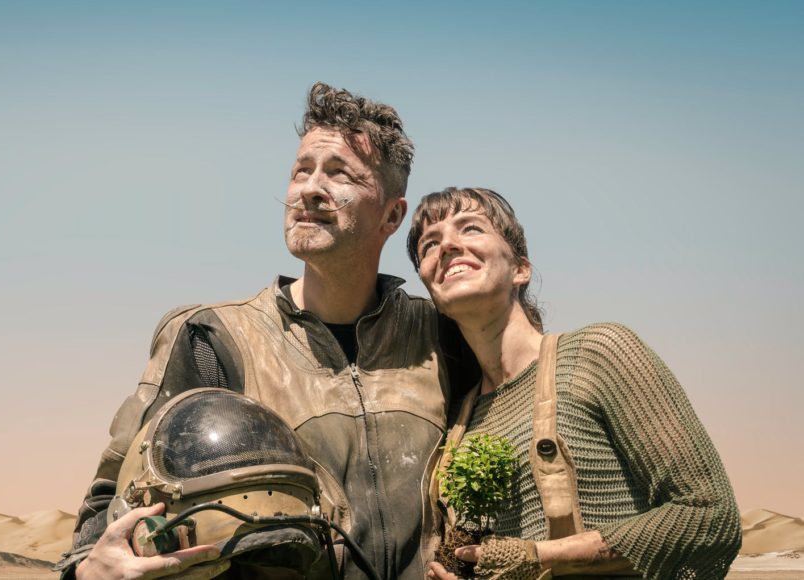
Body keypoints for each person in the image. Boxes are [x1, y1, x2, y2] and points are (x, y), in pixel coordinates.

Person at [56, 83, 470, 580]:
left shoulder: (443, 336)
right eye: (302, 170)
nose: (309, 189)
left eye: (339, 174)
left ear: (392, 215)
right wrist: (87, 569)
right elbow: (114, 492)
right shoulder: (211, 338)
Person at [408, 187, 741, 580]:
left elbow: (709, 514)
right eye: (430, 244)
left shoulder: (598, 353)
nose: (447, 244)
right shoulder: (457, 426)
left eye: (471, 228)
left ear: (520, 268)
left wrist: (541, 555)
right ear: (431, 289)